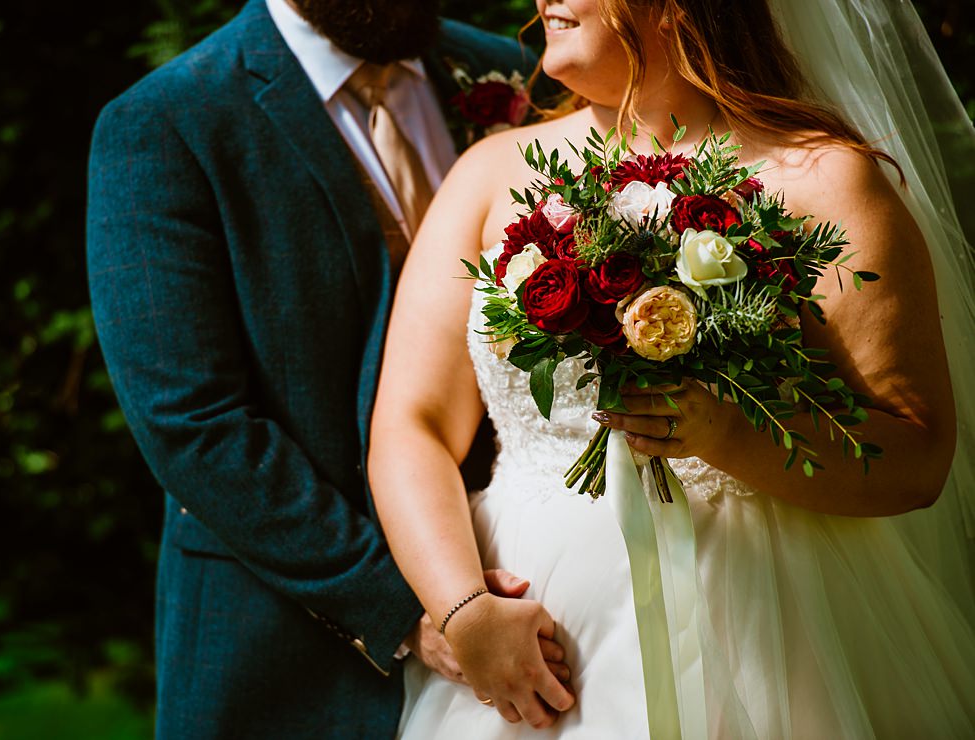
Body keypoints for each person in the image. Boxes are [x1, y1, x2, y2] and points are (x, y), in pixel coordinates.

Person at [369, 0, 975, 736]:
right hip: (534, 652)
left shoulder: (826, 180)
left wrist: (732, 434)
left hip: (777, 638)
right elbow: (414, 425)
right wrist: (462, 609)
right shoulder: (490, 174)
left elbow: (917, 458)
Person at [85, 0, 548, 736]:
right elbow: (195, 426)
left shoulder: (514, 75)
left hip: (534, 608)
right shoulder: (167, 123)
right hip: (287, 650)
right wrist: (413, 607)